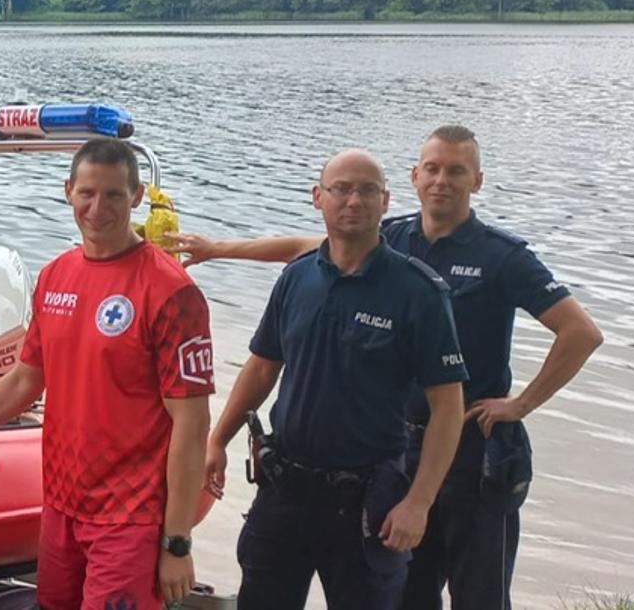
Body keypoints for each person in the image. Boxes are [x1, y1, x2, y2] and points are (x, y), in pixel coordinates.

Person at [176, 126, 604, 610]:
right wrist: (217, 249)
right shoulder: (390, 235)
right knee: (407, 593)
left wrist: (521, 404)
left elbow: (581, 333)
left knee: (478, 594)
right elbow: (304, 248)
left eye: (456, 170)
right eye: (433, 169)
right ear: (414, 177)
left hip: (469, 449)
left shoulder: (498, 258)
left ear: (477, 180)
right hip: (394, 452)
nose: (442, 181)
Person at [0, 138, 214, 610]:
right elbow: (26, 381)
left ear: (136, 197)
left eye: (113, 195)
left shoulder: (171, 291)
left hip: (131, 516)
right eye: (87, 193)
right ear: (68, 190)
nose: (97, 208)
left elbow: (191, 424)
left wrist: (177, 541)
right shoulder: (55, 276)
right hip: (62, 506)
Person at [204, 149, 469, 610]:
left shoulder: (417, 292)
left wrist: (419, 502)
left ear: (386, 201)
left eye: (367, 190)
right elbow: (263, 366)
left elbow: (448, 406)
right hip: (284, 489)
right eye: (341, 188)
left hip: (367, 501)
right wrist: (217, 439)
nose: (354, 200)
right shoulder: (297, 278)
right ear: (317, 198)